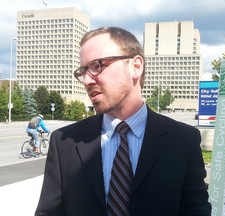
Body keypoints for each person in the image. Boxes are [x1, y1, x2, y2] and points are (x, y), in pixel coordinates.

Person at [35, 26, 211, 216]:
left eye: (97, 66)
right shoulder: (64, 141)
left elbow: (196, 210)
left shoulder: (183, 140)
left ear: (136, 66)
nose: (87, 80)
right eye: (83, 71)